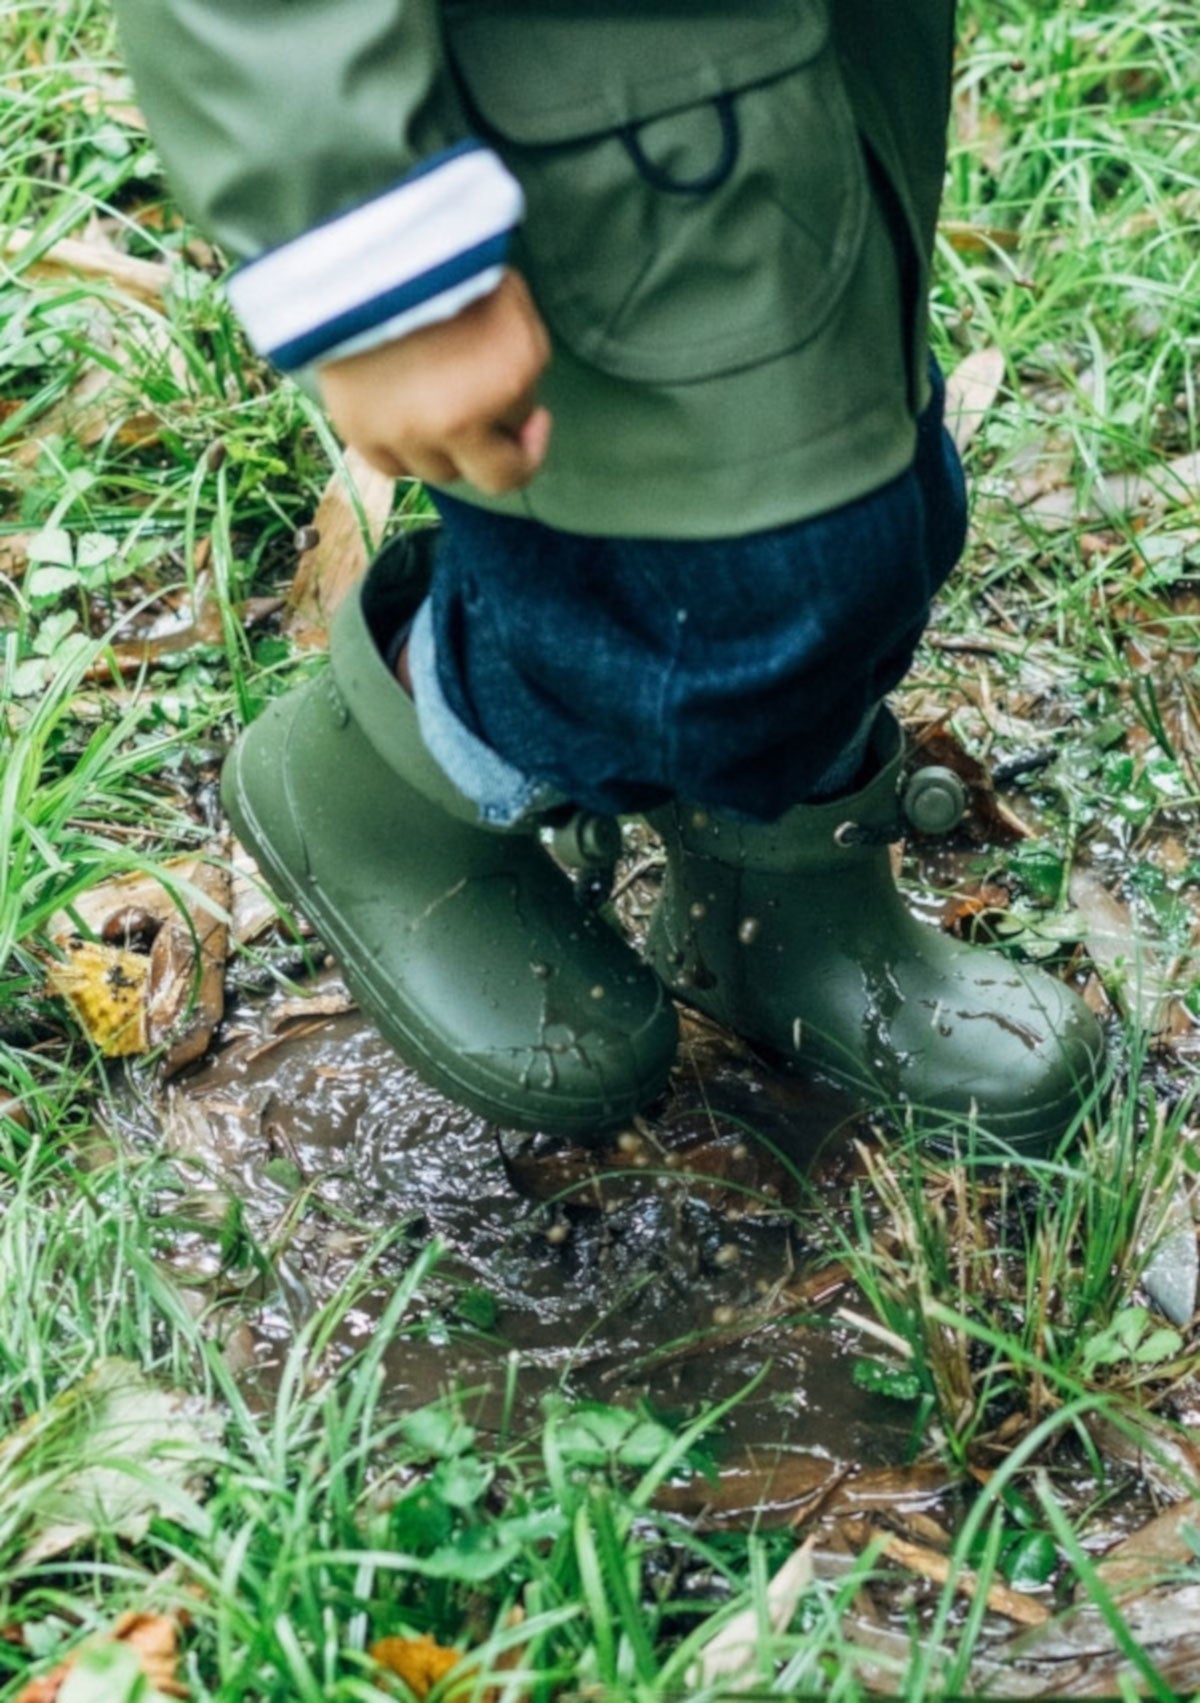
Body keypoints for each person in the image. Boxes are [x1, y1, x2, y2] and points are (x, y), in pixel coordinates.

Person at [114, 0, 1103, 1150]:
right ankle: (401, 771)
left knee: (877, 475)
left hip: (824, 59)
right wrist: (365, 235)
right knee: (743, 571)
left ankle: (766, 895)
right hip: (583, 73)